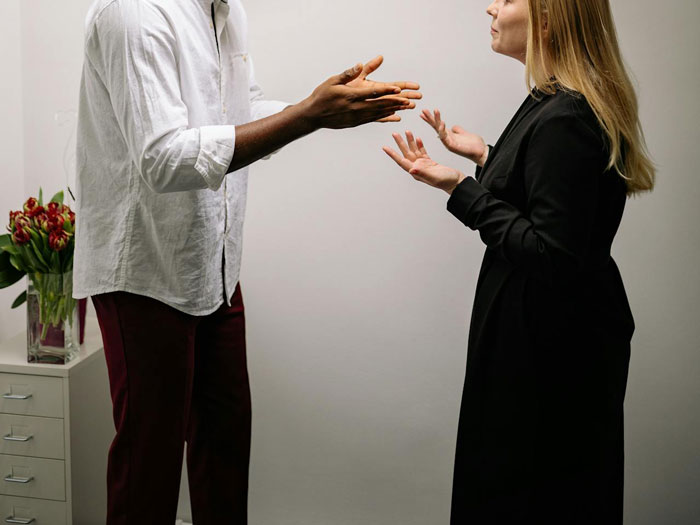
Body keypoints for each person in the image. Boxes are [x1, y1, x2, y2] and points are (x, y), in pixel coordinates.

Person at [73, 0, 421, 523]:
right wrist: (308, 116)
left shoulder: (225, 11)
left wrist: (319, 111)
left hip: (213, 268)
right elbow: (162, 159)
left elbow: (238, 113)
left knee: (226, 451)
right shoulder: (134, 12)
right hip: (144, 272)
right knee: (150, 466)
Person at [383, 0, 655, 523]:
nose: (491, 7)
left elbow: (553, 254)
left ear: (548, 18)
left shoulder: (567, 115)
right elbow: (552, 197)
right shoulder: (553, 103)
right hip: (550, 336)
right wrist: (487, 156)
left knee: (531, 493)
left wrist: (459, 186)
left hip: (549, 349)